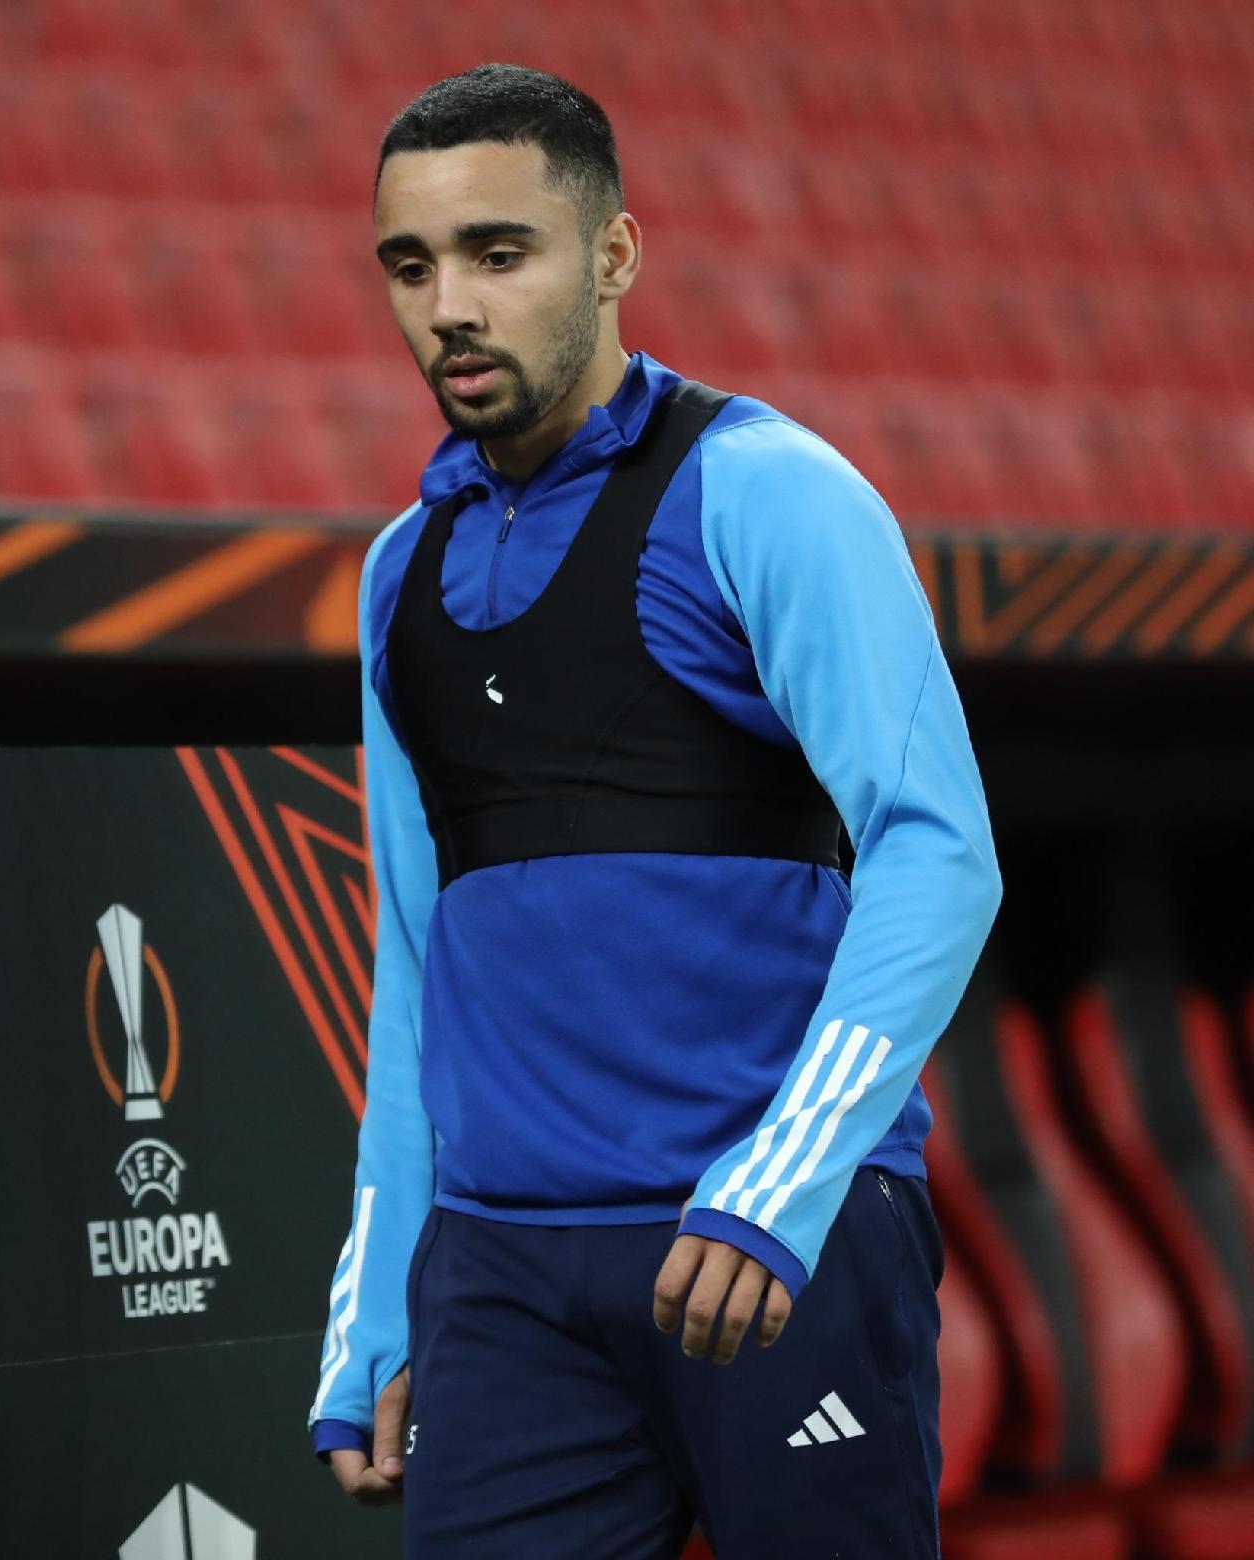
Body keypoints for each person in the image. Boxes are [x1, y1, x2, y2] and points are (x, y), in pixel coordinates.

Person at [310, 63, 1001, 1558]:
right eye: (411, 267)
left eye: (499, 252)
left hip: (770, 1247)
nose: (450, 308)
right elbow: (414, 965)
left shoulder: (768, 493)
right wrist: (380, 1307)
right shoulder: (395, 577)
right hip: (506, 1281)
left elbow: (939, 854)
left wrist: (779, 1185)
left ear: (614, 254)